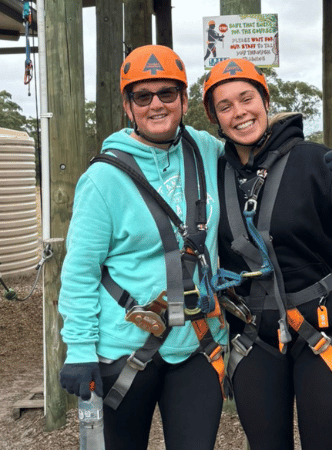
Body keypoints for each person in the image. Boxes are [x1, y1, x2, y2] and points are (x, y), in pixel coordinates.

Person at [202, 58, 332, 450]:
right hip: (253, 334)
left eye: (246, 98)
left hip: (323, 325)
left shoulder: (314, 162)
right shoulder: (214, 176)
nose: (239, 112)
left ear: (265, 100)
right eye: (225, 106)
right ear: (215, 117)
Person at [58, 45, 228, 450]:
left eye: (167, 93)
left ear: (184, 100)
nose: (156, 104)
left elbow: (253, 152)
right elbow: (80, 269)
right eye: (142, 95)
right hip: (124, 348)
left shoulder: (205, 150)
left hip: (198, 344)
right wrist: (79, 349)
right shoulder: (103, 179)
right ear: (127, 106)